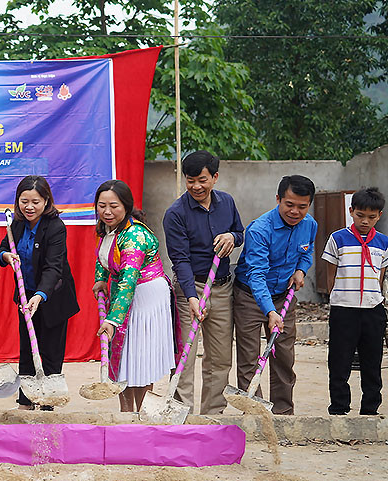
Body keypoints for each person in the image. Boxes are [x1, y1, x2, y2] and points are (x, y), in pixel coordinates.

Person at [163, 151, 244, 414]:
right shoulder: (175, 214)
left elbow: (240, 233)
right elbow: (180, 260)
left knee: (220, 358)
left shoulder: (227, 203)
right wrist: (191, 297)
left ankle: (212, 416)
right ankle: (182, 415)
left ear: (215, 177)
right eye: (190, 181)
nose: (196, 186)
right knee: (185, 357)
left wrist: (232, 237)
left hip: (222, 287)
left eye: (202, 180)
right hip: (190, 289)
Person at [233, 175, 317, 415]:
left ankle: (282, 414)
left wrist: (301, 270)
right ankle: (255, 412)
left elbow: (307, 251)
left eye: (302, 206)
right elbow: (257, 275)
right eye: (289, 204)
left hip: (284, 295)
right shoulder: (259, 229)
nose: (295, 211)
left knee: (283, 355)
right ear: (278, 199)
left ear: (309, 204)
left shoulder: (310, 224)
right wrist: (270, 311)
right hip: (250, 296)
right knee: (250, 357)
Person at [94, 180, 177, 412]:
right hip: (123, 295)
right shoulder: (110, 229)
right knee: (123, 360)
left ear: (127, 206)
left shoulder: (135, 235)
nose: (107, 212)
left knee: (140, 359)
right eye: (102, 206)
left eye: (114, 206)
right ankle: (125, 411)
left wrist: (112, 320)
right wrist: (100, 278)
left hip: (145, 296)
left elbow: (128, 279)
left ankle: (141, 414)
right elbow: (105, 256)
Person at [0, 175, 79, 410]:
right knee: (27, 349)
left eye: (35, 201)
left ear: (46, 201)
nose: (29, 207)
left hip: (51, 297)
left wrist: (39, 295)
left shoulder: (55, 227)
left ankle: (48, 404)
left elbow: (53, 267)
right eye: (24, 201)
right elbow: (4, 247)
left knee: (50, 352)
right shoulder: (16, 223)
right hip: (25, 298)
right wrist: (6, 256)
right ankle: (26, 401)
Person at [321, 187, 387, 415]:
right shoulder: (337, 239)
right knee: (339, 360)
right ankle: (339, 408)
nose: (365, 221)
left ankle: (370, 409)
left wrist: (374, 298)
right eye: (360, 215)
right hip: (343, 310)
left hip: (372, 310)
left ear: (379, 215)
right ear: (351, 211)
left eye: (371, 217)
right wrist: (338, 297)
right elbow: (331, 275)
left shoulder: (383, 243)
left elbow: (379, 276)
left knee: (372, 360)